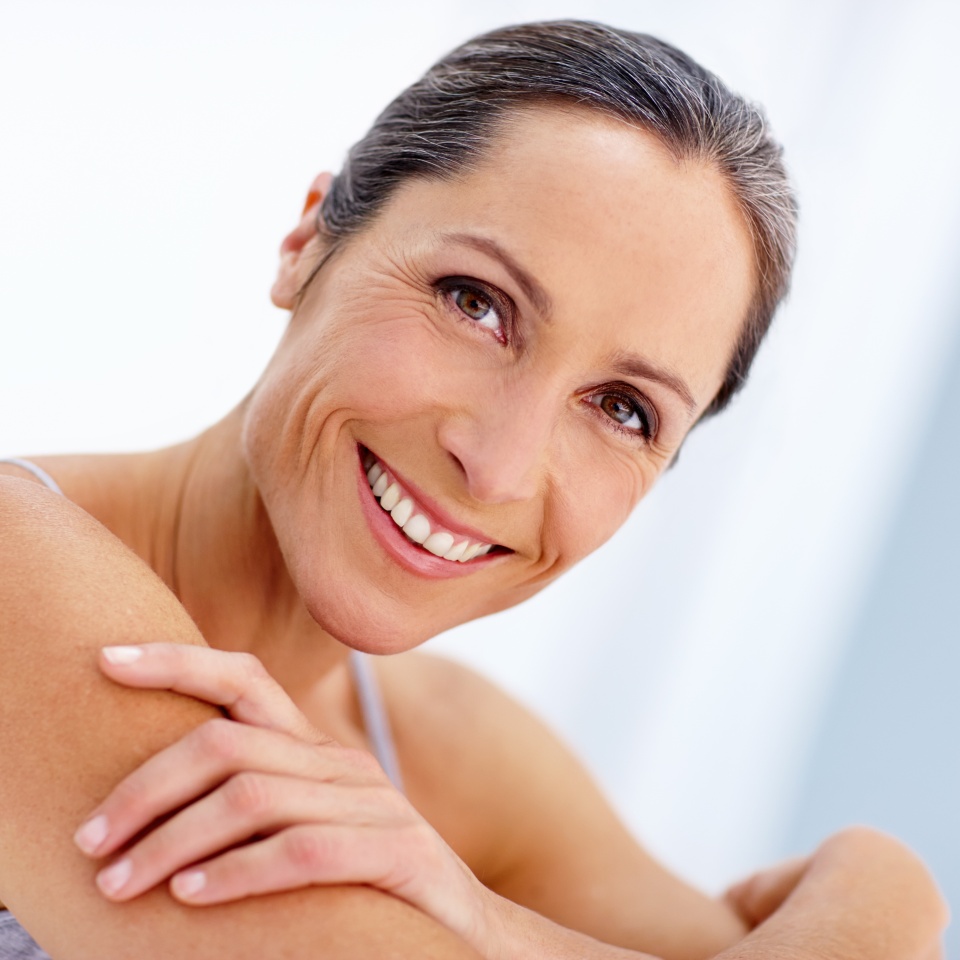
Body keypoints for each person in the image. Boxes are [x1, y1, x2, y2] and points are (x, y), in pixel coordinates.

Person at [0, 19, 947, 960]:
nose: (498, 465)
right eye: (475, 302)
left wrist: (495, 921)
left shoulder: (454, 750)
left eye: (621, 409)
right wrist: (880, 893)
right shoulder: (16, 571)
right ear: (309, 240)